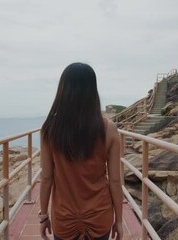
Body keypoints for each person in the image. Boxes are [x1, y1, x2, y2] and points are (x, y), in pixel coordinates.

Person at [39, 62, 123, 240]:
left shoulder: (49, 130)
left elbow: (46, 178)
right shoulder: (109, 129)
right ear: (93, 90)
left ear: (63, 90)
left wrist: (43, 216)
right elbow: (115, 181)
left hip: (64, 218)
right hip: (100, 216)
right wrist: (119, 221)